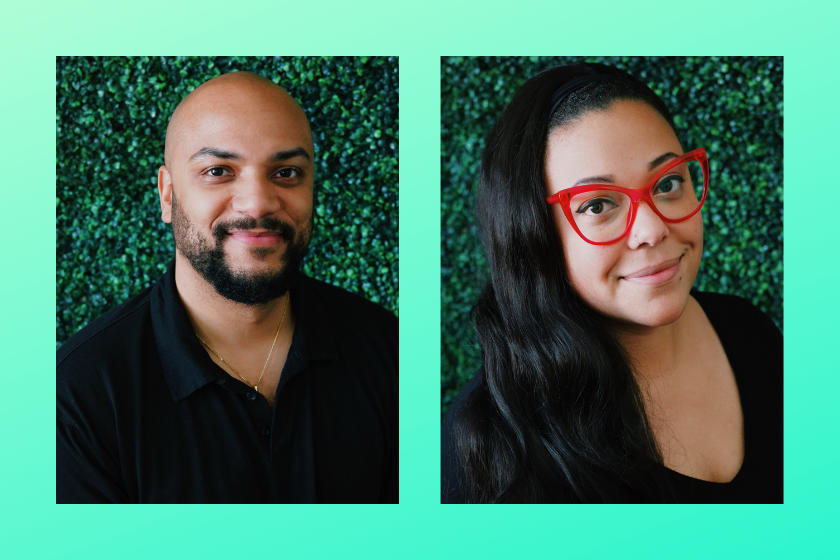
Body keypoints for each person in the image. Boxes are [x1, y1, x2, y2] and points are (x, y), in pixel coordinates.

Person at [441, 63, 782, 504]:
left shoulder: (749, 329)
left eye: (668, 183)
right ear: (534, 234)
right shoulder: (487, 446)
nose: (651, 230)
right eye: (598, 205)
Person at [57, 71, 398, 503]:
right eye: (218, 171)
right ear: (167, 195)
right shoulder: (77, 396)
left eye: (287, 172)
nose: (257, 203)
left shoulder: (388, 349)